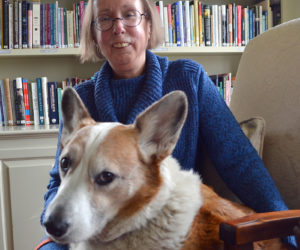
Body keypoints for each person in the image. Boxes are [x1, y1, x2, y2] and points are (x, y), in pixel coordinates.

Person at [36, 0, 294, 249]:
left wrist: (288, 230)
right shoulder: (84, 98)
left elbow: (239, 162)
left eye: (129, 14)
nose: (118, 27)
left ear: (148, 26)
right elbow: (57, 184)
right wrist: (61, 230)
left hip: (167, 229)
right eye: (104, 18)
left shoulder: (188, 79)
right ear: (93, 34)